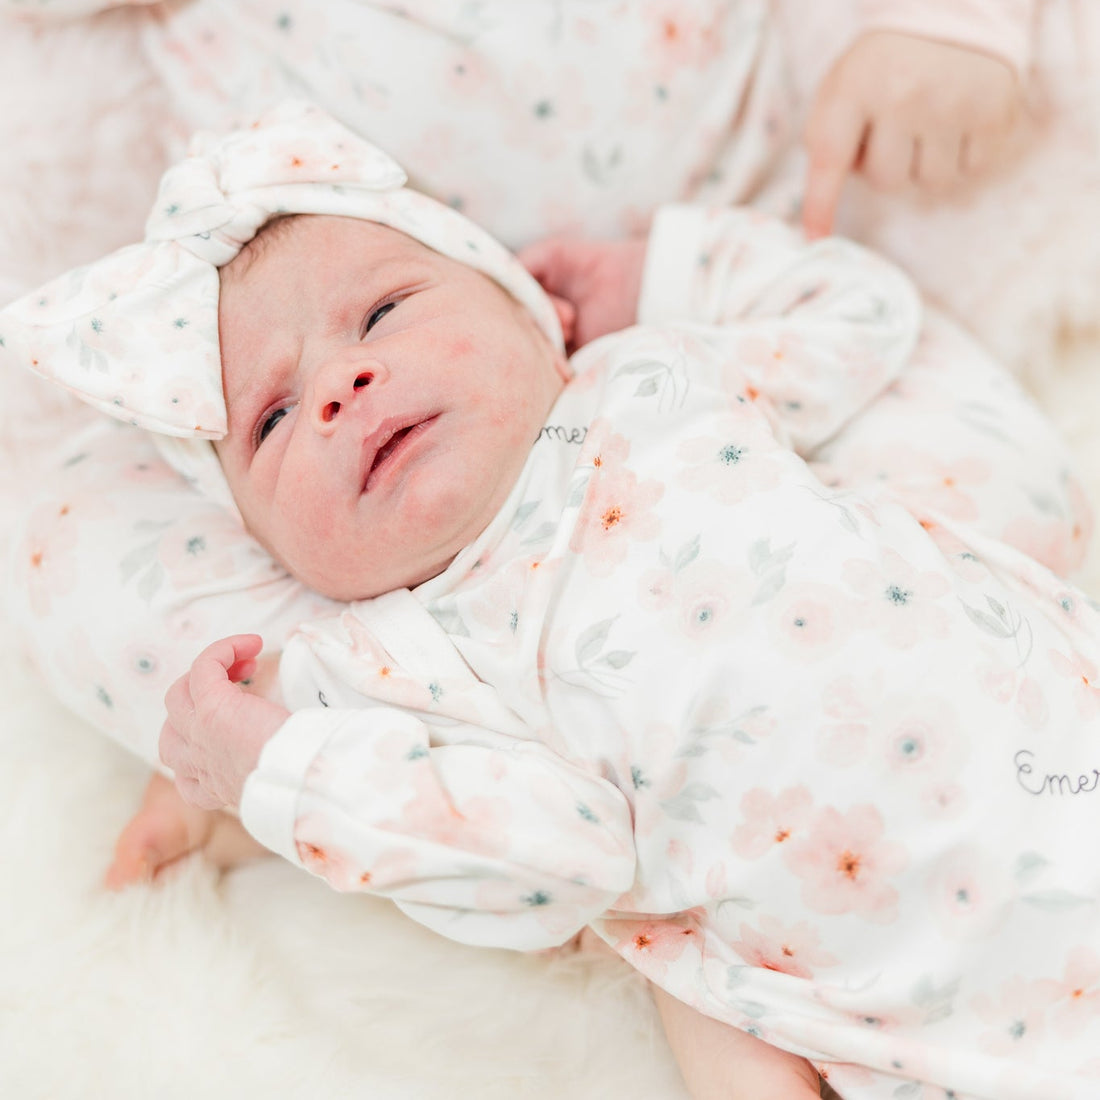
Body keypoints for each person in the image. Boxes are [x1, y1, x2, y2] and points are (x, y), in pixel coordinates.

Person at [5, 101, 1099, 1100]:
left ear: (532, 313)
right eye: (273, 418)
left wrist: (668, 272)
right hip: (937, 1008)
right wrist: (273, 772)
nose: (340, 384)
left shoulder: (649, 380)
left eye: (382, 310)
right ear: (263, 537)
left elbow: (855, 324)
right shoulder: (402, 658)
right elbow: (552, 863)